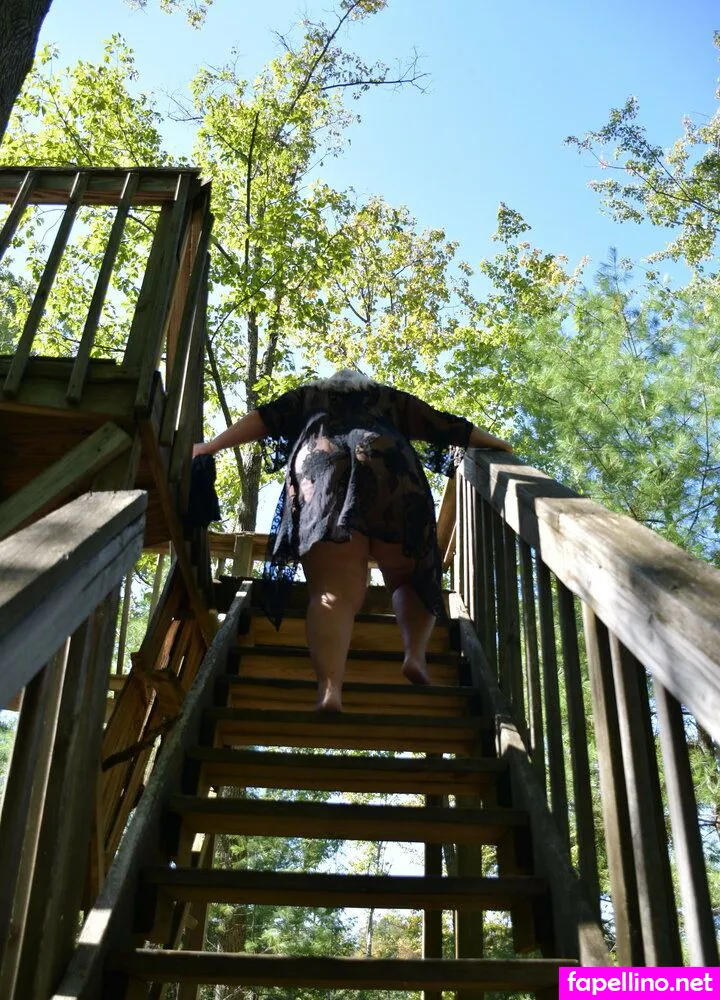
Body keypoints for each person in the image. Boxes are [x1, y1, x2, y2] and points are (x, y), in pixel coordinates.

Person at [193, 370, 513, 712]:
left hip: (320, 468)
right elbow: (442, 424)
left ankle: (330, 689)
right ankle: (415, 655)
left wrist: (211, 446)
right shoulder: (387, 399)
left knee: (332, 591)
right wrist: (497, 443)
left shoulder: (309, 396)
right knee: (410, 576)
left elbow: (261, 419)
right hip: (388, 461)